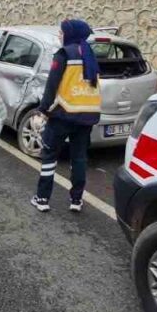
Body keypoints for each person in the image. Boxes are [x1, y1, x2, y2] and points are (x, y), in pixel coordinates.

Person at [31, 19, 102, 213]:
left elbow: (52, 85)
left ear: (71, 34)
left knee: (49, 156)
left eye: (61, 32)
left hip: (63, 113)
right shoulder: (90, 54)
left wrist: (43, 110)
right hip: (87, 115)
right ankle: (76, 200)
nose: (60, 35)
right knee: (79, 159)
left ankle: (42, 198)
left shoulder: (64, 54)